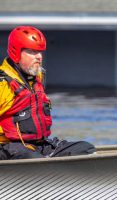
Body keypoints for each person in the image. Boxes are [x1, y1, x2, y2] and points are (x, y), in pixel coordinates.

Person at [0, 26, 96, 159]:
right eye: (32, 52)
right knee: (33, 158)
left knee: (85, 148)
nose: (39, 57)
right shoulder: (3, 83)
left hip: (37, 145)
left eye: (40, 52)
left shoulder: (37, 78)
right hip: (7, 148)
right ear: (16, 52)